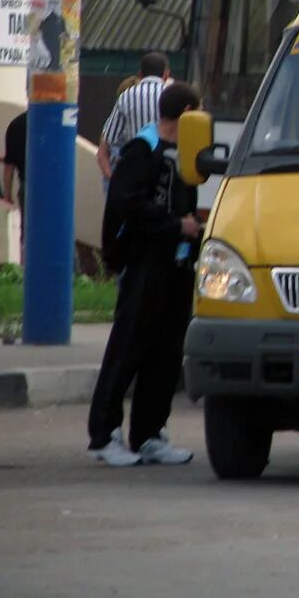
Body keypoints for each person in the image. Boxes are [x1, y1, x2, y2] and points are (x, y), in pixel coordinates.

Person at [87, 81, 204, 467]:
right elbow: (126, 203)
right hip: (145, 263)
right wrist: (175, 225)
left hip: (177, 264)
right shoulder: (144, 147)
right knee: (129, 346)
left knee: (166, 351)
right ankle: (104, 435)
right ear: (187, 113)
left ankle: (150, 434)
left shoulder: (185, 153)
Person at [96, 52, 171, 184]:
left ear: (140, 74)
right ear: (166, 74)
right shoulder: (173, 96)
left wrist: (112, 179)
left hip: (134, 174)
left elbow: (108, 141)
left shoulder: (126, 96)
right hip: (163, 175)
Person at [96, 75, 139, 193]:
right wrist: (113, 179)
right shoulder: (112, 124)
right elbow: (102, 154)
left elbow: (101, 155)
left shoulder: (110, 125)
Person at [3, 109, 27, 210]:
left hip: (26, 185)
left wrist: (7, 194)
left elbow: (9, 165)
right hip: (54, 186)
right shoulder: (55, 122)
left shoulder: (16, 124)